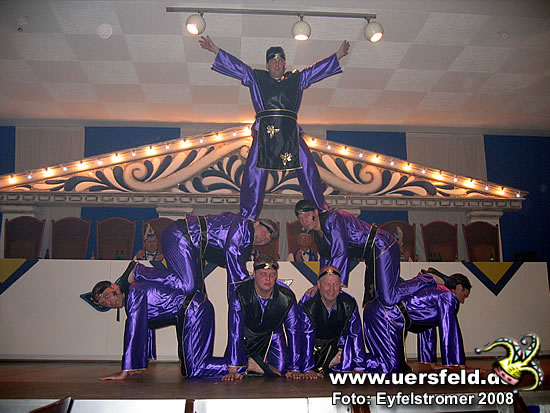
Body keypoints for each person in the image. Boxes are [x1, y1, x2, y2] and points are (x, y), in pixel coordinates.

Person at [199, 35, 350, 219]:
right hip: (265, 133)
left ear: (285, 65)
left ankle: (321, 212)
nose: (277, 64)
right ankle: (247, 217)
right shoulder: (257, 78)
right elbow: (239, 68)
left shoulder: (296, 79)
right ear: (267, 65)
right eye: (273, 61)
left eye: (280, 61)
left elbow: (314, 71)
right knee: (253, 173)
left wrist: (338, 55)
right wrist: (215, 50)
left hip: (290, 133)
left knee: (308, 167)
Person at [88, 262, 237, 380]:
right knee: (189, 368)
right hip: (194, 310)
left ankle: (241, 365)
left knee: (195, 368)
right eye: (104, 303)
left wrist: (125, 370)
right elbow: (143, 327)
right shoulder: (135, 290)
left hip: (194, 310)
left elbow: (133, 330)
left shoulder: (133, 292)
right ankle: (238, 362)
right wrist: (138, 365)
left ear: (114, 286)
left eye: (107, 296)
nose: (108, 302)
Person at [363, 269, 472, 373]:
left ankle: (356, 358)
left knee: (398, 367)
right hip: (385, 314)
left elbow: (427, 325)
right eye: (464, 296)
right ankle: (355, 359)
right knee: (390, 366)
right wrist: (460, 365)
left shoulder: (436, 290)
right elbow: (450, 330)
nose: (462, 301)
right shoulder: (448, 296)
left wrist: (431, 362)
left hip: (384, 313)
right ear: (459, 287)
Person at [226, 255, 302, 379]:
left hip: (271, 337)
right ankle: (250, 365)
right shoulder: (240, 293)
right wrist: (234, 367)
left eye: (272, 274)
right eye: (263, 274)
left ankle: (253, 366)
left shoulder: (286, 297)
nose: (268, 278)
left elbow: (294, 331)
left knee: (279, 372)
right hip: (246, 339)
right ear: (254, 274)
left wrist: (295, 368)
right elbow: (235, 331)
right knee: (232, 368)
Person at [299, 266, 370, 378]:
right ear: (319, 285)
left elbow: (356, 334)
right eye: (327, 284)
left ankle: (330, 363)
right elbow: (306, 337)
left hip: (337, 348)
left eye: (336, 284)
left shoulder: (348, 303)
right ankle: (325, 365)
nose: (331, 289)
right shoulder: (308, 303)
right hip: (313, 349)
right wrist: (308, 369)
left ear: (340, 285)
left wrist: (358, 367)